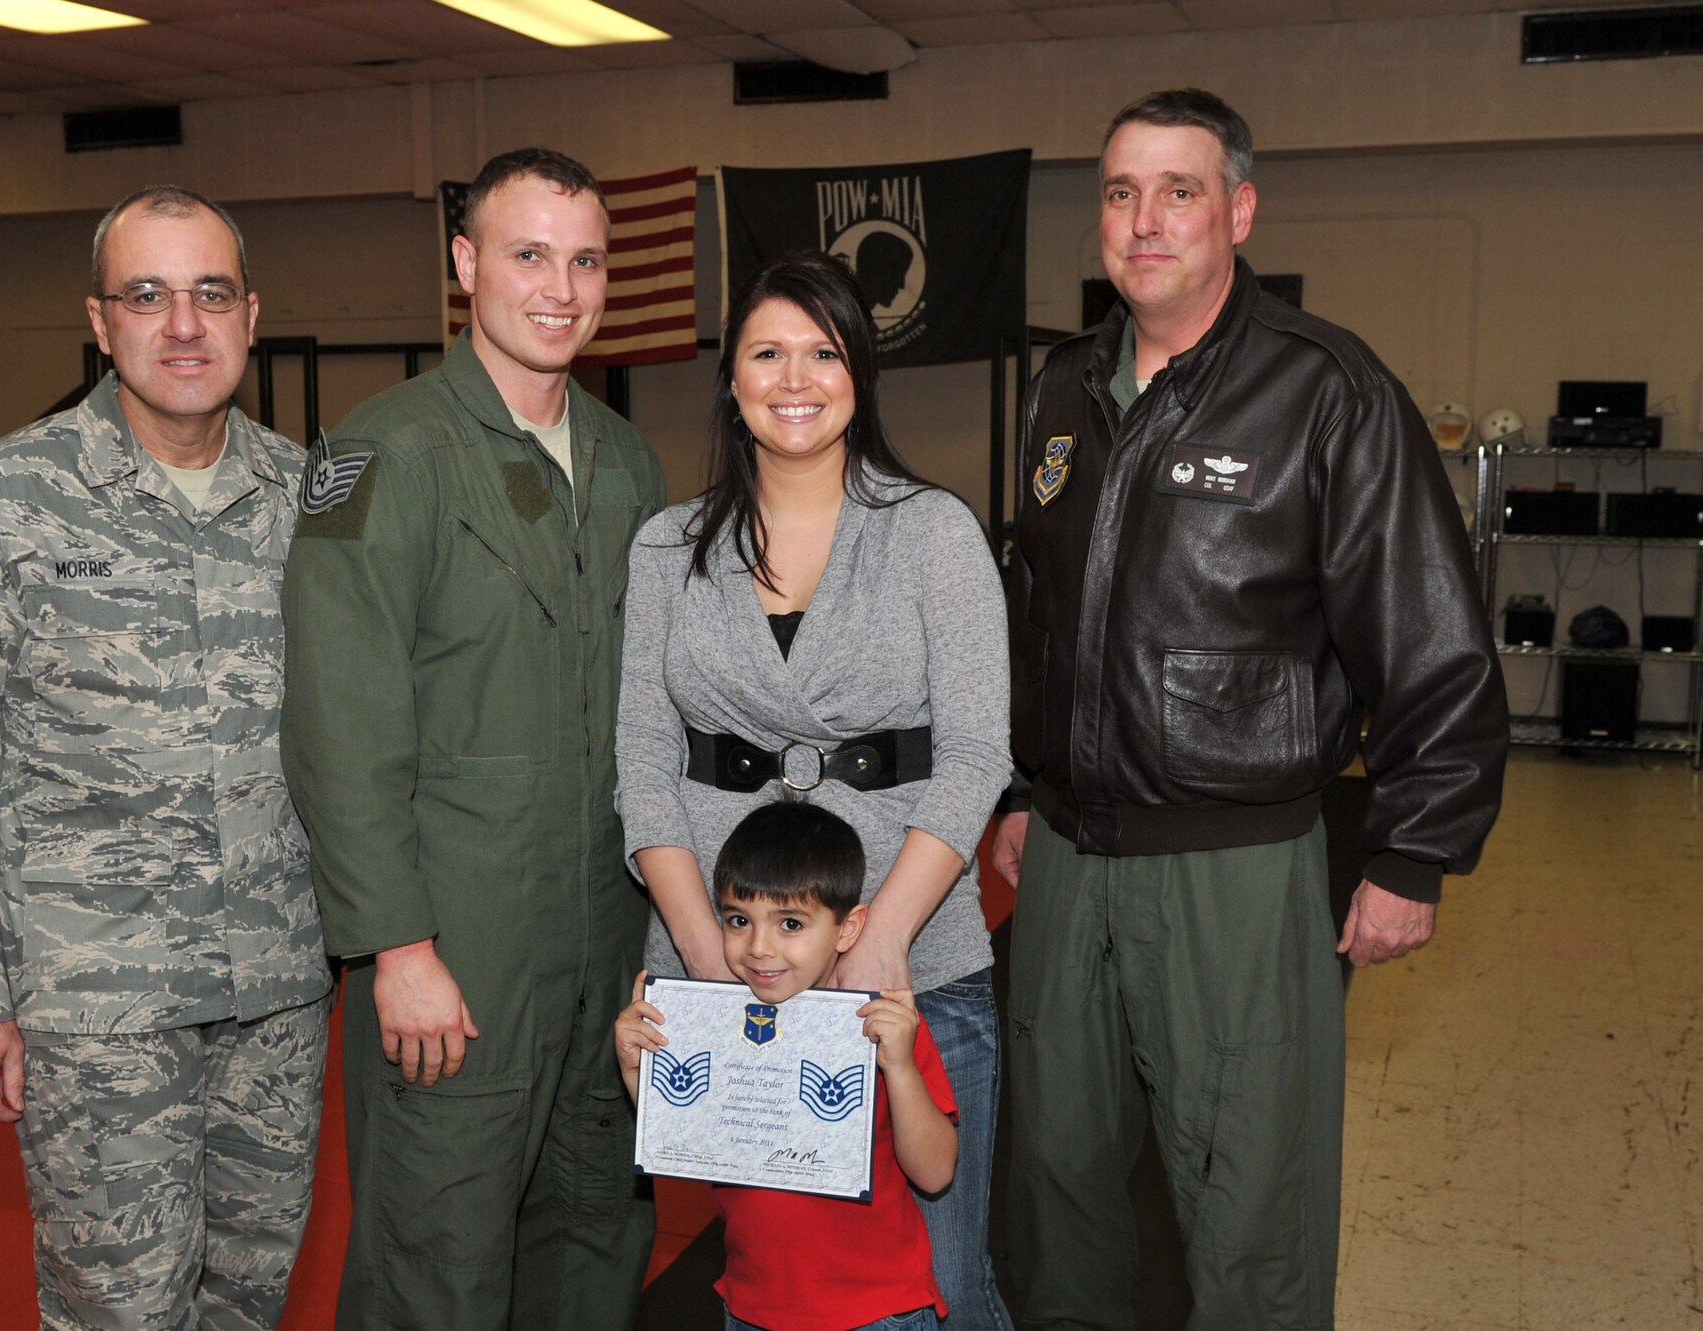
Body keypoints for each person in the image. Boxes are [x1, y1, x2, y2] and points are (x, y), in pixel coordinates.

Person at [994, 88, 1508, 1329]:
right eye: (1119, 192)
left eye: (1178, 189)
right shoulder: (1063, 389)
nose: (1144, 219)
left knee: (1247, 1212)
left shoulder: (1324, 389)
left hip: (1230, 869)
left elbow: (1430, 631)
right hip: (1064, 860)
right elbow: (1031, 613)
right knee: (1054, 1192)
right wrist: (1017, 788)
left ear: (1238, 209)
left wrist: (1412, 848)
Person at [0, 184, 331, 1331]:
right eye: (147, 294)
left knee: (247, 1297)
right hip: (93, 1012)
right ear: (99, 320)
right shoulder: (6, 502)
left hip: (275, 991)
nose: (182, 324)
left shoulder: (311, 501)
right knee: (118, 1307)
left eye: (210, 293)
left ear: (251, 314)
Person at [280, 147, 665, 1330]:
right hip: (459, 951)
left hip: (605, 932)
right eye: (527, 254)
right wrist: (395, 946)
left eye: (585, 259)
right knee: (434, 1254)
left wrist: (664, 930)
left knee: (596, 1230)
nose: (560, 287)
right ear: (465, 266)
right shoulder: (377, 455)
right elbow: (337, 722)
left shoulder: (626, 459)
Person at [616, 249, 1013, 1329]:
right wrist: (705, 957)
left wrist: (881, 936)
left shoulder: (932, 532)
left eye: (823, 351)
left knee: (940, 1280)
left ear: (858, 372)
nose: (795, 378)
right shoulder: (665, 550)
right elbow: (643, 768)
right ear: (731, 381)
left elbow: (977, 750)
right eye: (767, 352)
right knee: (774, 1281)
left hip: (910, 956)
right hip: (724, 954)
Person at [615, 800, 958, 1331]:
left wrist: (902, 1069)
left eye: (791, 923)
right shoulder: (712, 1027)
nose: (759, 948)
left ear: (848, 930)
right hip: (752, 1305)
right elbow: (698, 1141)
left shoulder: (881, 1024)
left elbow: (936, 1174)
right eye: (738, 920)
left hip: (875, 1310)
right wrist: (643, 1075)